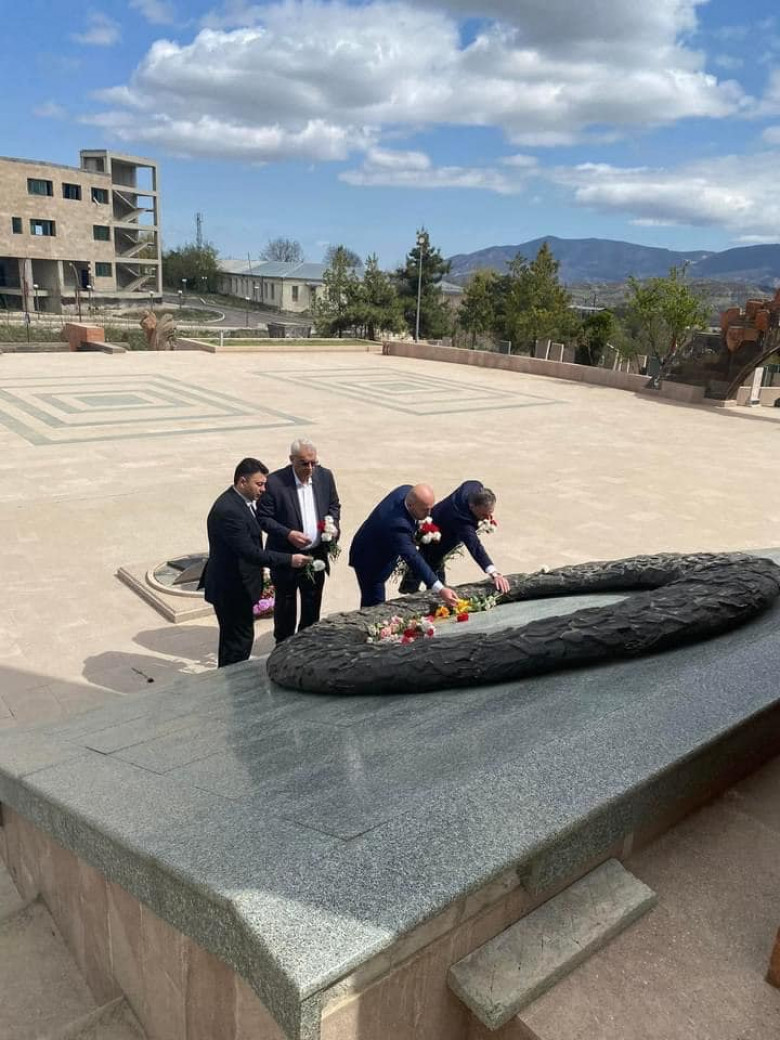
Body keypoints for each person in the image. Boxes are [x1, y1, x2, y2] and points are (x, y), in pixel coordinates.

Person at [201, 458, 311, 667]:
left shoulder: (242, 502)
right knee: (237, 644)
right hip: (232, 589)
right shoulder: (229, 511)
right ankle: (232, 682)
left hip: (238, 586)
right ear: (242, 481)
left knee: (237, 640)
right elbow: (250, 553)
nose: (263, 489)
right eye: (259, 484)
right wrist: (289, 559)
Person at [257, 437, 341, 643]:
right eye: (304, 463)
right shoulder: (275, 483)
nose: (310, 468)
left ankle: (307, 644)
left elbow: (334, 505)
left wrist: (333, 526)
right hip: (286, 556)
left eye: (314, 463)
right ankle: (283, 645)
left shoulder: (325, 476)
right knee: (285, 604)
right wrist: (288, 534)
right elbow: (263, 518)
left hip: (315, 554)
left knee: (312, 602)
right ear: (291, 459)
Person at [349, 483, 459, 609]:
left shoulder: (407, 491)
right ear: (411, 505)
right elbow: (413, 558)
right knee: (374, 604)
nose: (429, 514)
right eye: (425, 510)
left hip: (377, 543)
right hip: (370, 560)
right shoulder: (398, 525)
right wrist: (440, 589)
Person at [399, 481, 511, 595]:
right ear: (472, 506)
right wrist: (494, 573)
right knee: (431, 561)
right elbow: (475, 547)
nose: (487, 518)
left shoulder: (473, 486)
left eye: (490, 513)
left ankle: (410, 585)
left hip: (439, 518)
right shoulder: (462, 520)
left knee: (427, 561)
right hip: (436, 535)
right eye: (483, 515)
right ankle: (416, 589)